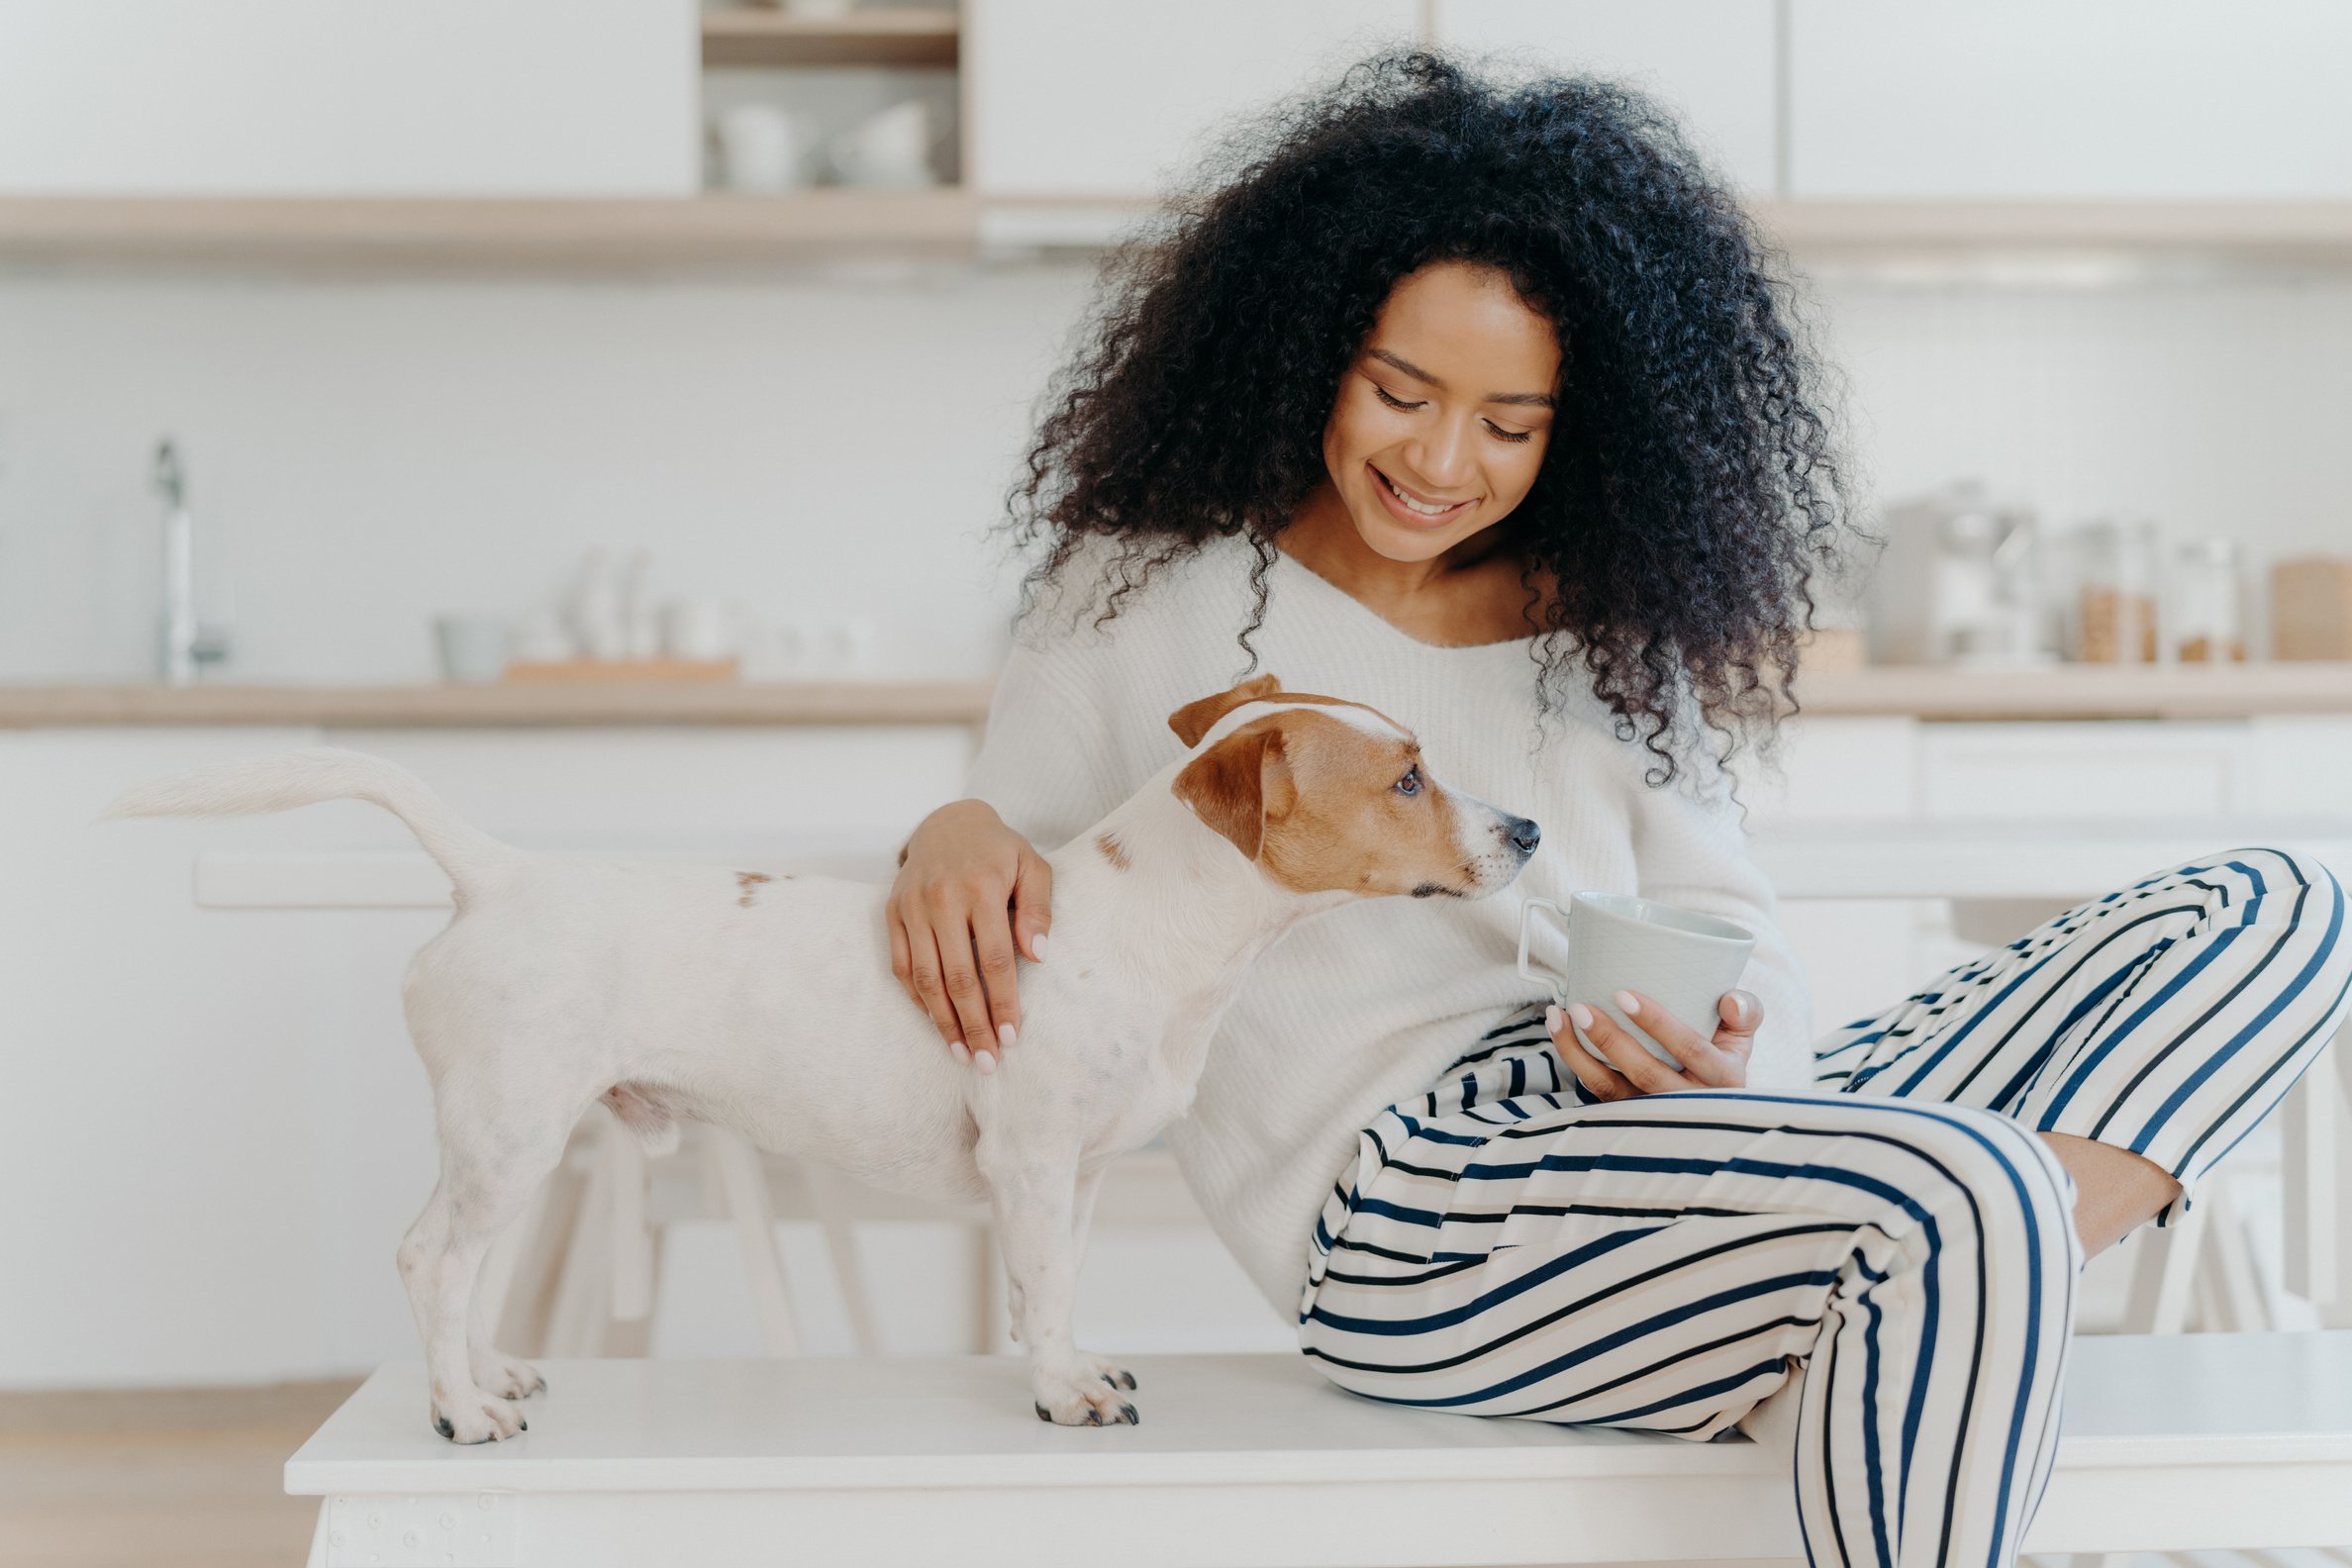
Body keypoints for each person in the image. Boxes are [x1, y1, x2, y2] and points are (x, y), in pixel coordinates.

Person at [885, 50, 2352, 1568]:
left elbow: (1738, 939)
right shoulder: (1140, 594)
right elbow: (1022, 861)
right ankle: (1941, 1269)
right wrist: (950, 830)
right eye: (1402, 392)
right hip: (1418, 1217)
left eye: (1511, 422)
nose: (1443, 461)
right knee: (1964, 1193)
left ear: (1580, 428)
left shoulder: (1611, 635)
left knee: (2280, 910)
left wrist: (1726, 1050)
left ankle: (1918, 1275)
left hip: (1695, 1140)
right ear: (1309, 347)